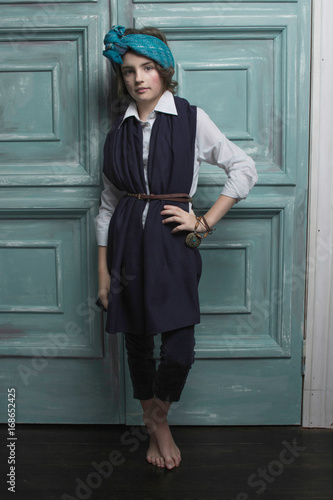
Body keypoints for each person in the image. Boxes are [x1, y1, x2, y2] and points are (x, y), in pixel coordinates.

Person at [95, 25, 257, 470]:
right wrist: (103, 273)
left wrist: (203, 221)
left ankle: (159, 412)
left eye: (147, 68)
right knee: (138, 341)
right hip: (127, 242)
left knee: (179, 343)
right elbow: (107, 207)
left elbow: (243, 168)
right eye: (129, 71)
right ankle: (156, 424)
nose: (138, 78)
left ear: (164, 71)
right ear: (122, 77)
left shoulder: (190, 118)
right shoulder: (117, 132)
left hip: (171, 243)